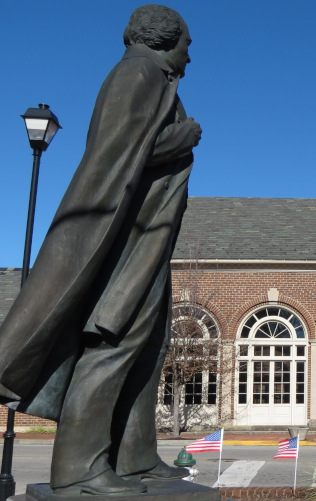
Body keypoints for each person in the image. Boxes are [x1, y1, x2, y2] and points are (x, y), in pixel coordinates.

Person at [0, 5, 201, 495]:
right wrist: (183, 137)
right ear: (163, 39)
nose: (189, 58)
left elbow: (130, 150)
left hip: (148, 234)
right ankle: (79, 468)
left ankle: (134, 456)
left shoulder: (153, 77)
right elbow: (117, 156)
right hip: (123, 238)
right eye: (186, 46)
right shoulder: (137, 74)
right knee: (113, 339)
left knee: (148, 346)